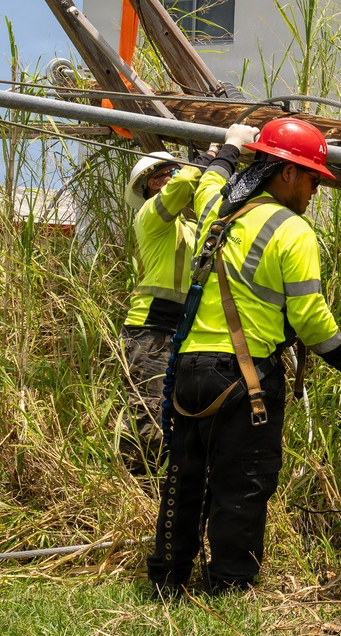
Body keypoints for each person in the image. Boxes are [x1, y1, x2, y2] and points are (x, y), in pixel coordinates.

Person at [147, 119, 341, 595]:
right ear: (288, 172)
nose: (316, 191)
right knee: (243, 482)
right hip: (245, 377)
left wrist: (229, 148)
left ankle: (168, 580)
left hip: (189, 369)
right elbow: (310, 316)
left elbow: (210, 181)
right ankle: (230, 586)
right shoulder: (293, 230)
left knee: (184, 480)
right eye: (313, 179)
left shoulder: (218, 210)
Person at [119, 146, 219, 475]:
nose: (177, 176)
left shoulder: (189, 227)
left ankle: (162, 487)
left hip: (181, 331)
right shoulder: (150, 215)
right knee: (146, 416)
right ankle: (135, 487)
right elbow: (185, 183)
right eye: (170, 172)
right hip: (151, 331)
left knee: (177, 418)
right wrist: (211, 156)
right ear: (153, 184)